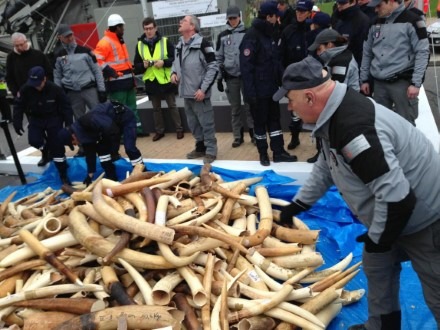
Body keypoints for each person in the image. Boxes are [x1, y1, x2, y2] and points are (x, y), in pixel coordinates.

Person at [274, 56, 440, 330]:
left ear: (310, 97)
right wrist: (298, 205)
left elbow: (399, 198)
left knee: (435, 287)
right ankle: (381, 326)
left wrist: (381, 238)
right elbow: (328, 166)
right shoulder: (333, 116)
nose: (289, 107)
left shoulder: (353, 129)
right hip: (391, 215)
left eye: (291, 100)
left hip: (425, 216)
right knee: (377, 265)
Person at [240, 0, 297, 166]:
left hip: (271, 90)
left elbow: (275, 62)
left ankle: (278, 152)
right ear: (268, 16)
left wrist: (284, 82)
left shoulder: (271, 34)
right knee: (260, 123)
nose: (277, 20)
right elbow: (246, 68)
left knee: (275, 121)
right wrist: (250, 94)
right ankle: (263, 153)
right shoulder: (252, 36)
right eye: (275, 17)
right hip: (258, 92)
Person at [360, 0, 429, 126]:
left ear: (391, 1)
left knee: (406, 125)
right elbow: (367, 52)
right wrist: (364, 79)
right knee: (381, 125)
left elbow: (422, 52)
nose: (375, 10)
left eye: (379, 6)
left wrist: (416, 83)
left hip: (402, 84)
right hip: (379, 85)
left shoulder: (413, 21)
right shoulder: (374, 23)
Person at [58, 100, 145, 184]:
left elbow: (112, 130)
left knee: (129, 148)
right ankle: (112, 177)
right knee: (102, 151)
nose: (76, 144)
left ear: (73, 136)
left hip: (125, 118)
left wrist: (114, 151)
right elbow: (90, 153)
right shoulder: (82, 135)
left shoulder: (89, 120)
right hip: (111, 126)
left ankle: (142, 173)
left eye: (73, 143)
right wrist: (90, 174)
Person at [171, 15, 218, 164]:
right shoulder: (179, 45)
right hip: (186, 94)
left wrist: (203, 89)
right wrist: (173, 73)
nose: (180, 22)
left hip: (199, 95)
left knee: (206, 123)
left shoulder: (203, 44)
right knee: (193, 124)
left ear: (192, 27)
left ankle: (211, 150)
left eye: (184, 21)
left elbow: (213, 67)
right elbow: (175, 63)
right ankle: (200, 147)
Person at [53, 23, 107, 157]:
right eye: (66, 36)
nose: (70, 38)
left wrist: (101, 90)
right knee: (79, 121)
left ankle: (106, 144)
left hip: (89, 89)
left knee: (99, 117)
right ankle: (84, 147)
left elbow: (97, 71)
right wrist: (60, 95)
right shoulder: (58, 55)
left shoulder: (86, 51)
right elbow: (57, 77)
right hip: (72, 93)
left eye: (71, 35)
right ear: (60, 38)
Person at [13, 66, 73, 184]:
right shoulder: (26, 89)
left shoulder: (55, 89)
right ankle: (45, 151)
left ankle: (63, 174)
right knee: (34, 140)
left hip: (53, 118)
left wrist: (69, 124)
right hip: (36, 118)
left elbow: (66, 107)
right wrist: (17, 121)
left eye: (38, 83)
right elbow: (18, 106)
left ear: (44, 79)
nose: (37, 86)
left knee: (57, 146)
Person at [5, 32, 54, 167]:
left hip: (43, 95)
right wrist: (16, 92)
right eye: (17, 45)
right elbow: (10, 77)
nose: (21, 47)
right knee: (36, 127)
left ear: (26, 41)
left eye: (22, 44)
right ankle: (45, 152)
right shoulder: (11, 58)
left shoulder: (38, 55)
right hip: (26, 98)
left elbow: (49, 72)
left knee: (50, 124)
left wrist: (47, 89)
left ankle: (54, 150)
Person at [133, 17, 184, 142]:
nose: (148, 31)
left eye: (150, 28)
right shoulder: (139, 45)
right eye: (146, 29)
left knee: (172, 105)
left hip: (165, 79)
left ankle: (179, 129)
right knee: (156, 108)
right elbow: (136, 66)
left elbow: (175, 58)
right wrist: (143, 66)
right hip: (151, 80)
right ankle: (159, 131)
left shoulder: (165, 42)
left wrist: (164, 62)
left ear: (155, 28)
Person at [94, 13, 145, 136]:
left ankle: (136, 130)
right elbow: (97, 60)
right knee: (119, 110)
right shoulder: (105, 42)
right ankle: (121, 135)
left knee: (132, 107)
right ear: (117, 27)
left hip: (126, 81)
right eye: (122, 27)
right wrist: (110, 71)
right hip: (116, 83)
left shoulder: (118, 41)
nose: (123, 29)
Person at [216, 5, 255, 148]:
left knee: (250, 106)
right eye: (230, 18)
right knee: (235, 108)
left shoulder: (248, 32)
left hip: (246, 76)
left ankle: (254, 134)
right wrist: (219, 78)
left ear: (239, 17)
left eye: (234, 18)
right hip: (231, 76)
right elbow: (219, 59)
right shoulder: (222, 35)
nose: (232, 21)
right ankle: (238, 136)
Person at [278, 0, 314, 152]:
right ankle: (294, 138)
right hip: (293, 79)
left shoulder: (313, 30)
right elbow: (280, 57)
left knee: (315, 110)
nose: (299, 14)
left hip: (312, 78)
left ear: (309, 12)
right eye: (298, 10)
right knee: (295, 111)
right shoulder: (288, 31)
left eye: (303, 11)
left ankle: (318, 145)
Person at [331, 0, 370, 67]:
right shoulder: (339, 18)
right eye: (338, 3)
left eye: (342, 3)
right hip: (339, 63)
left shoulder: (362, 21)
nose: (339, 6)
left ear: (353, 2)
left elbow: (363, 51)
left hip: (355, 66)